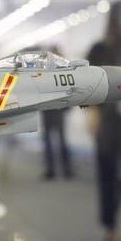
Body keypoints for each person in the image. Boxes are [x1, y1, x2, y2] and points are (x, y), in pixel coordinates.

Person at [87, 0, 121, 241]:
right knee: (107, 175)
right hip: (108, 122)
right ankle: (110, 227)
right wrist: (93, 113)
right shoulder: (100, 49)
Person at [40, 45, 73, 180]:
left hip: (54, 111)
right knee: (56, 141)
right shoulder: (58, 72)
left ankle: (58, 170)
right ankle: (61, 170)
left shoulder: (46, 73)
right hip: (52, 111)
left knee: (57, 141)